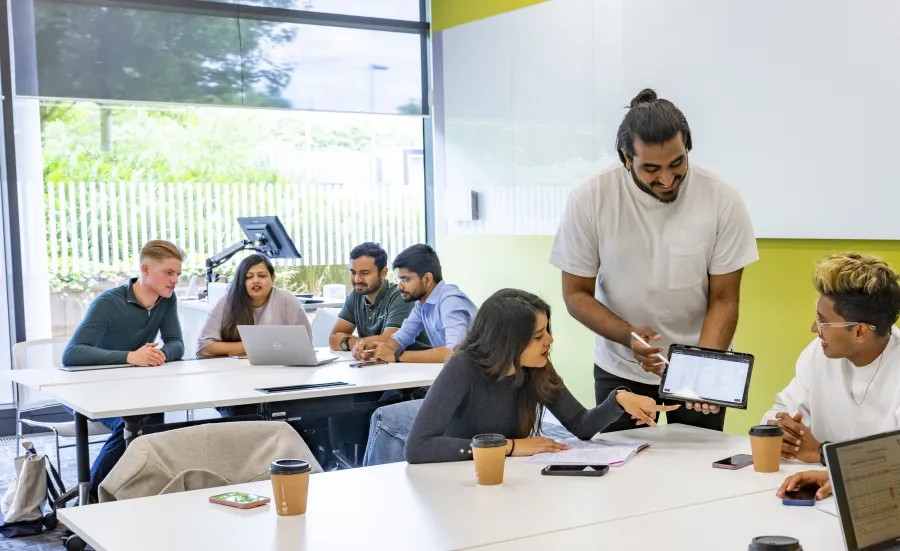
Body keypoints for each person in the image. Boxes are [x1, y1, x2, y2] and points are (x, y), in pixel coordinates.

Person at [549, 88, 758, 432]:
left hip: (697, 360)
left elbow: (724, 298)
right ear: (626, 158)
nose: (666, 178)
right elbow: (575, 294)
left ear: (687, 147)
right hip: (620, 365)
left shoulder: (723, 198)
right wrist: (629, 336)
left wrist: (703, 366)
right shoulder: (590, 197)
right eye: (651, 169)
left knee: (696, 472)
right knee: (623, 471)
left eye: (677, 163)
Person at [405, 289, 679, 464]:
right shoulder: (462, 367)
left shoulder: (537, 368)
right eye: (538, 336)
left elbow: (580, 425)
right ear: (508, 341)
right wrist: (510, 447)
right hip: (459, 484)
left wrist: (618, 399)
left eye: (547, 330)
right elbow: (418, 447)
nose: (550, 340)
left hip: (513, 482)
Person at [62, 239, 186, 500]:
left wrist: (160, 354)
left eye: (177, 274)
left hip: (133, 390)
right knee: (132, 425)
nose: (175, 280)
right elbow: (72, 354)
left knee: (153, 421)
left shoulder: (166, 300)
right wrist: (131, 356)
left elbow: (177, 343)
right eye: (169, 273)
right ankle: (92, 500)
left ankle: (137, 495)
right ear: (145, 269)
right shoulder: (108, 302)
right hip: (89, 391)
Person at [761, 253, 900, 464]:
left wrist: (822, 453)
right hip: (814, 487)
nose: (814, 328)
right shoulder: (817, 353)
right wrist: (780, 429)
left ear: (860, 332)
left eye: (823, 321)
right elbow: (781, 410)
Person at [364, 244, 478, 365]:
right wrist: (374, 351)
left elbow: (453, 353)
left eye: (405, 280)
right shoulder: (422, 304)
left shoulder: (450, 301)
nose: (399, 286)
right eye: (399, 280)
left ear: (427, 279)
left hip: (481, 379)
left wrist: (397, 355)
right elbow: (400, 338)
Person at [197, 253, 312, 358]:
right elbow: (204, 347)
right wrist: (255, 345)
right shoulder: (226, 302)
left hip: (278, 368)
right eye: (248, 277)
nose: (255, 281)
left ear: (273, 278)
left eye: (262, 276)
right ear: (241, 281)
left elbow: (305, 344)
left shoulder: (287, 300)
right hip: (234, 371)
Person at [328, 242, 429, 356]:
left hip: (417, 367)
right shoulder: (356, 295)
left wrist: (349, 342)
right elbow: (333, 339)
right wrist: (364, 344)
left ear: (383, 272)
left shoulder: (400, 295)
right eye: (353, 272)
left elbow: (390, 342)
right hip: (383, 365)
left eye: (364, 273)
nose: (357, 279)